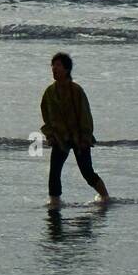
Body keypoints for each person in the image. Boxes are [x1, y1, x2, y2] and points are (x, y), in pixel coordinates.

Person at [40, 52, 109, 207]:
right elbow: (46, 116)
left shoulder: (76, 90)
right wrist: (50, 135)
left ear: (66, 69)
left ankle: (105, 197)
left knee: (87, 172)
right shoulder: (49, 92)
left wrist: (85, 137)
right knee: (54, 172)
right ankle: (55, 202)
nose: (54, 69)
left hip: (79, 138)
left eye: (58, 66)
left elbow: (86, 115)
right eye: (53, 66)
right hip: (60, 138)